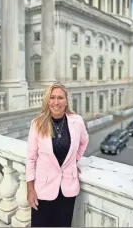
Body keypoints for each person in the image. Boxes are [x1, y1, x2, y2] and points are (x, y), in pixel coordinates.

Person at [26, 82, 89, 227]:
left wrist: (75, 160)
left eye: (60, 98)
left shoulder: (77, 121)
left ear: (66, 101)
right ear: (47, 101)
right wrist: (30, 189)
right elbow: (30, 159)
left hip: (67, 190)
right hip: (43, 189)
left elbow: (84, 142)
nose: (56, 102)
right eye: (52, 97)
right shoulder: (37, 124)